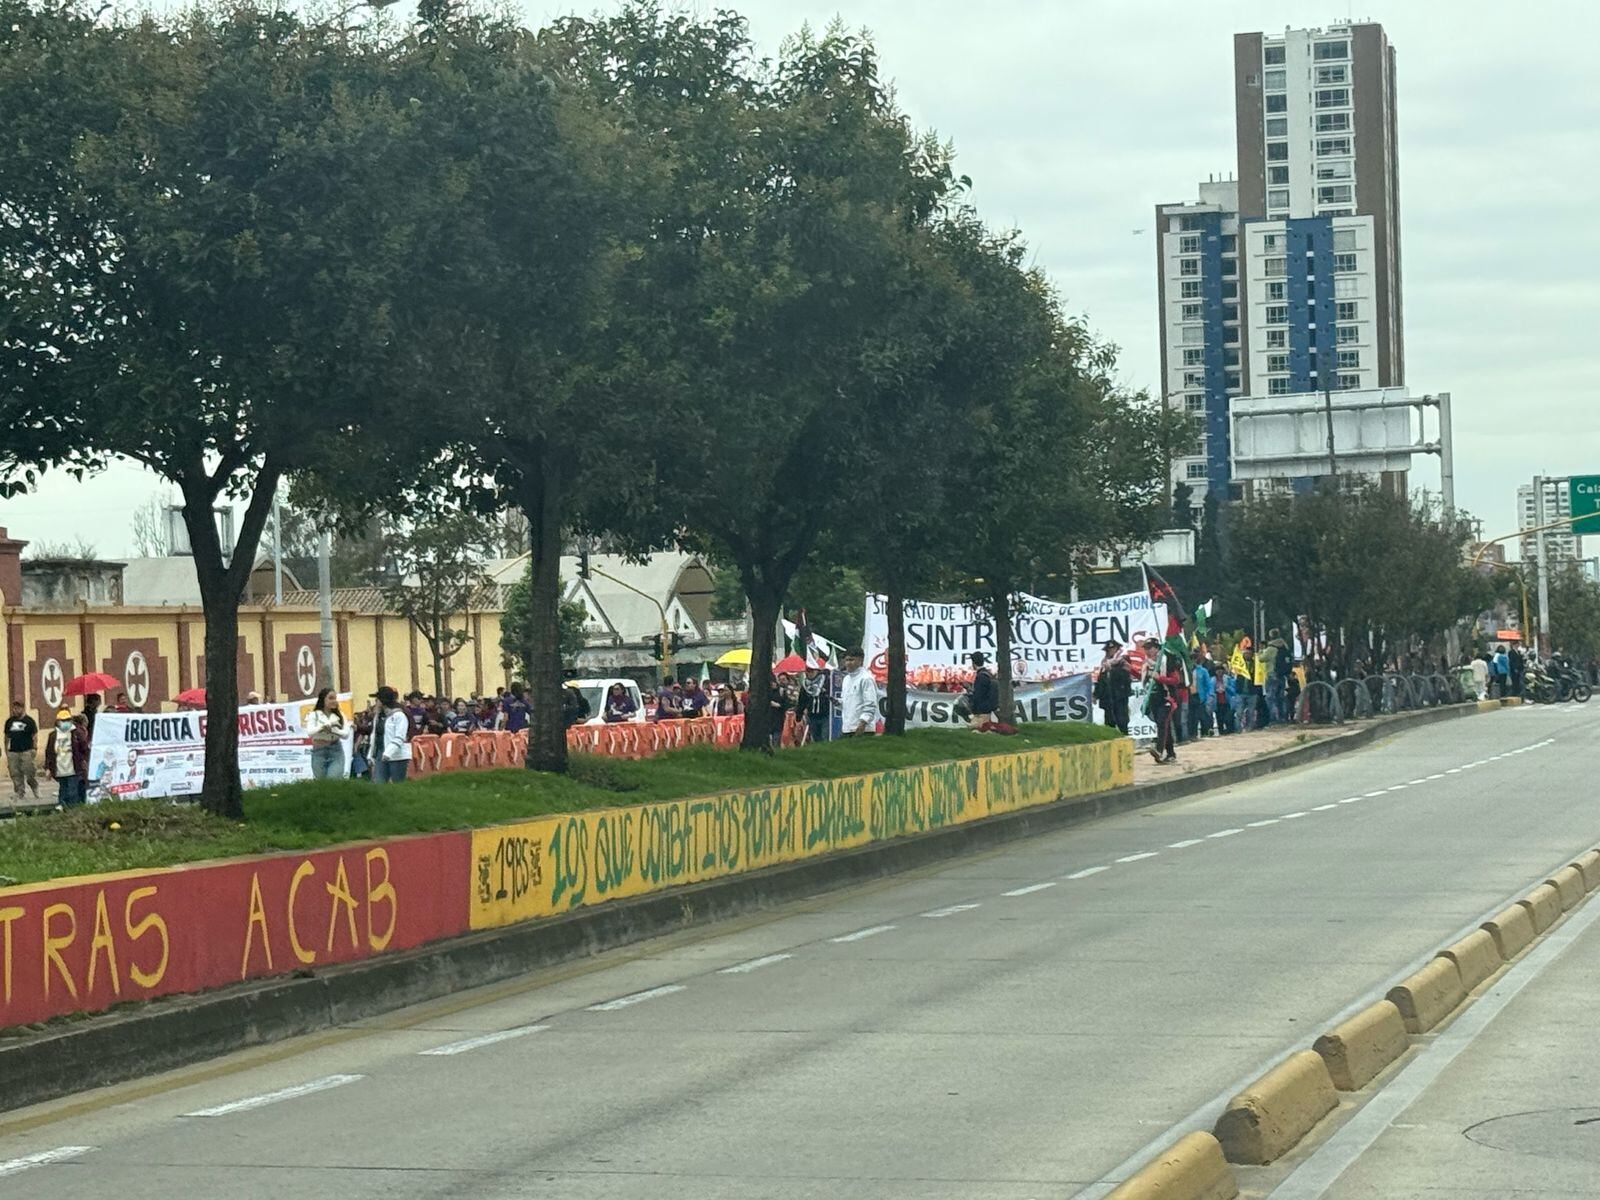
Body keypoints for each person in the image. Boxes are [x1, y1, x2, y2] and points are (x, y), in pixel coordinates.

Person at [44, 708, 88, 806]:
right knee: (63, 791)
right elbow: (49, 752)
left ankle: (72, 810)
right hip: (60, 769)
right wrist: (48, 768)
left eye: (67, 720)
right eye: (62, 720)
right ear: (58, 721)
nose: (65, 723)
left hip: (74, 768)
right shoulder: (53, 735)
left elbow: (84, 749)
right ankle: (63, 808)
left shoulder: (77, 733)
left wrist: (84, 761)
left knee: (72, 793)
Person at [371, 686, 412, 783]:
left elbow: (399, 737)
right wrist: (371, 754)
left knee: (398, 783)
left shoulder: (399, 715)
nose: (376, 702)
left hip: (398, 755)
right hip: (381, 752)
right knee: (378, 783)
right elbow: (374, 735)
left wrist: (388, 752)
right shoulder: (379, 716)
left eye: (377, 700)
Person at [305, 688, 347, 780]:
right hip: (319, 751)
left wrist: (333, 730)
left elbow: (346, 734)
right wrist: (322, 727)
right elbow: (310, 732)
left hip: (335, 750)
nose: (334, 701)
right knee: (322, 783)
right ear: (323, 699)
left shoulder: (340, 715)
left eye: (335, 698)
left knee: (333, 779)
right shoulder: (314, 715)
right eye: (331, 698)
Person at [839, 647, 879, 737]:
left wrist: (863, 723)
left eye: (851, 660)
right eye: (846, 660)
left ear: (860, 660)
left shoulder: (866, 678)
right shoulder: (846, 679)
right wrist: (837, 702)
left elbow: (871, 704)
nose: (848, 663)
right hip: (847, 728)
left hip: (863, 729)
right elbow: (846, 703)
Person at [1093, 641, 1132, 735]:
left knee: (1122, 721)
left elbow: (1126, 676)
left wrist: (1112, 668)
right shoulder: (1104, 663)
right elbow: (1101, 680)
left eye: (1113, 649)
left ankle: (1124, 740)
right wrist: (1096, 694)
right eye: (1108, 650)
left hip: (1120, 696)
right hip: (1107, 697)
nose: (1110, 651)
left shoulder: (1124, 660)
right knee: (1109, 722)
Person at [4, 700, 39, 802]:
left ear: (22, 709)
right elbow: (6, 737)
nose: (14, 710)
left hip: (26, 751)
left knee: (29, 771)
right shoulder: (9, 721)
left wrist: (34, 749)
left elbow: (34, 736)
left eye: (17, 708)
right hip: (13, 751)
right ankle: (19, 792)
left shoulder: (29, 721)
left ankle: (35, 787)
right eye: (13, 708)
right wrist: (7, 750)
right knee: (15, 773)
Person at [795, 664, 833, 744]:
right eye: (807, 671)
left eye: (811, 671)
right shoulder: (805, 685)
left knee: (825, 737)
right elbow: (802, 701)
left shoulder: (826, 681)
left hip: (825, 715)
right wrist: (798, 716)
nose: (809, 673)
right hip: (812, 716)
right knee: (816, 738)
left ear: (817, 671)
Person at [966, 652, 999, 728]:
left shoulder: (981, 676)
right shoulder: (988, 674)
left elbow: (979, 695)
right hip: (988, 709)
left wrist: (973, 708)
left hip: (982, 711)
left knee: (976, 728)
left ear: (973, 663)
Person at [769, 672, 794, 747]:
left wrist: (778, 705)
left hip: (778, 720)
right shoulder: (766, 692)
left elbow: (787, 705)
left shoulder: (781, 691)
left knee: (776, 740)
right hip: (768, 720)